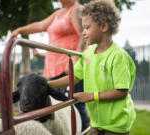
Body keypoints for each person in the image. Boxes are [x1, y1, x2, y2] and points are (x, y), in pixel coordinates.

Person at [48, 0, 136, 134]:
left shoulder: (118, 56)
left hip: (116, 125)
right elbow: (74, 78)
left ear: (103, 26)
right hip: (96, 122)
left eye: (87, 28)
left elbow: (121, 92)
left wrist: (90, 96)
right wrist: (47, 85)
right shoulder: (87, 54)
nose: (83, 33)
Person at [10, 0, 90, 131]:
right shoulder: (58, 13)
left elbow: (83, 35)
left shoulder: (76, 10)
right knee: (57, 107)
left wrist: (75, 59)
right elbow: (41, 25)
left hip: (69, 67)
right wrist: (19, 30)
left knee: (74, 104)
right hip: (53, 68)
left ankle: (82, 131)